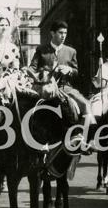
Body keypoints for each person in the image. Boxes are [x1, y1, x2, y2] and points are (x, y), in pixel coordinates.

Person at [29, 20, 96, 151]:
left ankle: (82, 137)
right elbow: (33, 68)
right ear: (52, 33)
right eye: (60, 33)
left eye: (65, 33)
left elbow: (76, 72)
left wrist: (69, 70)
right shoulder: (41, 50)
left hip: (66, 88)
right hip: (45, 88)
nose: (63, 35)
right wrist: (40, 73)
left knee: (86, 104)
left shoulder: (71, 51)